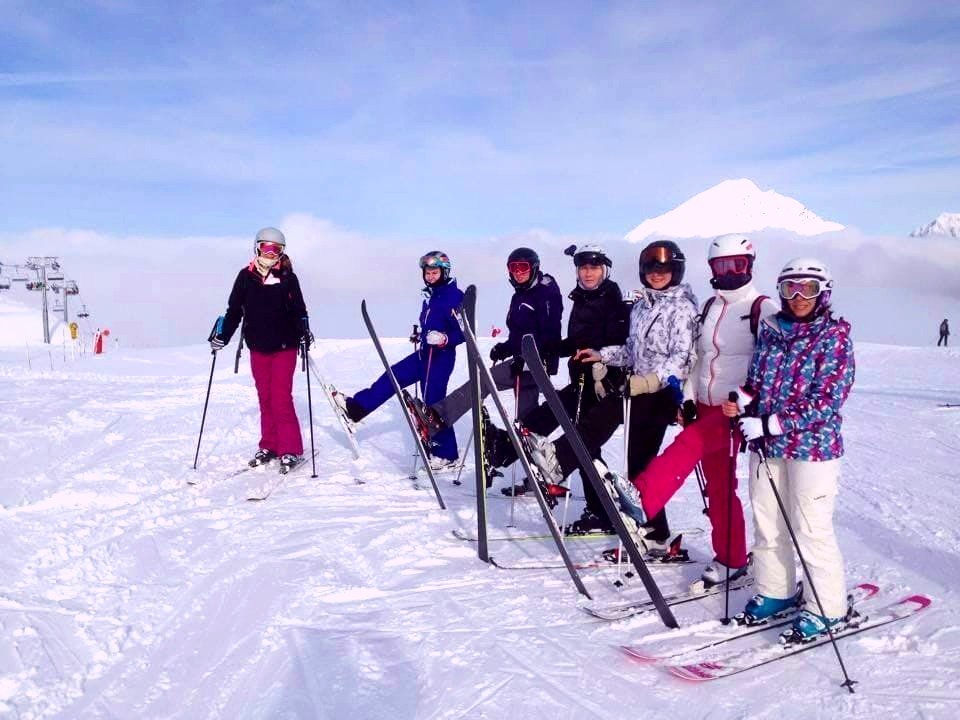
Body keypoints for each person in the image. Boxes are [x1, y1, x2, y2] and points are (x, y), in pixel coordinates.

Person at [504, 240, 698, 553]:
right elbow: (631, 351)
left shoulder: (682, 309)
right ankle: (652, 529)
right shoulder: (643, 307)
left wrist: (649, 382)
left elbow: (682, 358)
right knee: (617, 445)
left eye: (663, 268)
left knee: (629, 453)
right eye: (651, 268)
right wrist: (601, 355)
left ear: (675, 270)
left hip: (661, 393)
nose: (657, 274)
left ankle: (652, 530)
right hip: (635, 387)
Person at [618, 234, 778, 583]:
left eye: (736, 265)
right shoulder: (710, 307)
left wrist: (745, 400)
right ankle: (732, 558)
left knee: (689, 444)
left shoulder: (761, 309)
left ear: (749, 265)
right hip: (704, 404)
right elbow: (698, 359)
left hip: (736, 410)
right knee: (718, 488)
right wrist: (688, 398)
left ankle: (642, 498)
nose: (729, 273)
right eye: (721, 266)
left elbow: (771, 366)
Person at [723, 257, 855, 641]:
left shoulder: (833, 336)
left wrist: (769, 423)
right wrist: (743, 399)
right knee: (768, 521)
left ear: (823, 293)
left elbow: (828, 400)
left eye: (808, 289)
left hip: (813, 448)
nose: (798, 297)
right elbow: (756, 380)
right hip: (767, 444)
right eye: (790, 288)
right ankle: (776, 590)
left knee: (810, 527)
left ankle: (828, 607)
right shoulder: (771, 330)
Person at [481, 245, 630, 505]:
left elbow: (621, 345)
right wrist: (551, 348)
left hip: (602, 384)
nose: (588, 273)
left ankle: (601, 509)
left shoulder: (613, 301)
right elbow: (576, 341)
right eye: (583, 268)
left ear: (604, 269)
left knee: (583, 443)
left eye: (593, 268)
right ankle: (503, 449)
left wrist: (599, 356)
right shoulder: (584, 298)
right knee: (550, 417)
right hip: (581, 379)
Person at [409, 247, 563, 479]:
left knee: (482, 381)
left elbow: (550, 332)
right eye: (513, 268)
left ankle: (437, 417)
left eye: (523, 268)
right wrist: (507, 347)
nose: (518, 273)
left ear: (534, 268)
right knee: (528, 423)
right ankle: (542, 475)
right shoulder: (520, 294)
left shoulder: (546, 292)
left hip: (536, 363)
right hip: (522, 361)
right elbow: (518, 335)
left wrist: (535, 358)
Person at [335, 251, 465, 470]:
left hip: (441, 357)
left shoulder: (455, 296)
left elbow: (463, 331)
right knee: (392, 376)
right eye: (427, 273)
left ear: (445, 272)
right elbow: (430, 325)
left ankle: (446, 454)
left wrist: (445, 339)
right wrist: (422, 335)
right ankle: (357, 408)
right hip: (425, 353)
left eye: (435, 272)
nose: (430, 277)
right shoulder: (432, 295)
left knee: (433, 404)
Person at [211, 227, 312, 471]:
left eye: (276, 249)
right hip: (258, 346)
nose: (270, 253)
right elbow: (234, 311)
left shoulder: (288, 277)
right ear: (257, 247)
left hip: (284, 345)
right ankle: (270, 445)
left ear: (282, 253)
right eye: (266, 248)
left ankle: (291, 448)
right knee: (265, 397)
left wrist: (304, 332)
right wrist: (222, 336)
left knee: (280, 397)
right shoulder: (245, 277)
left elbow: (300, 310)